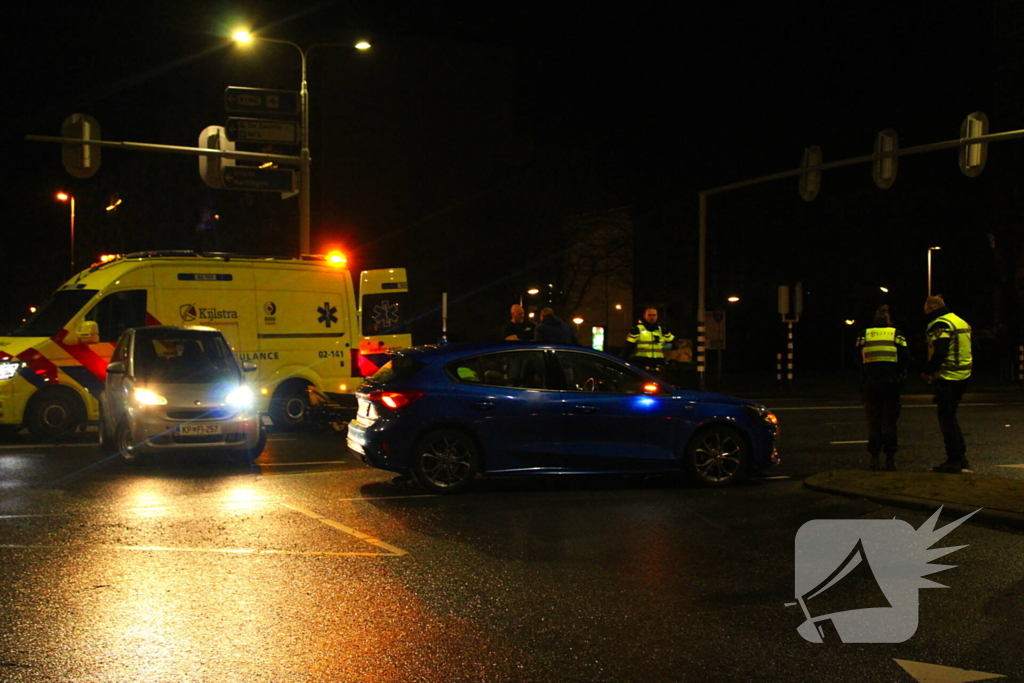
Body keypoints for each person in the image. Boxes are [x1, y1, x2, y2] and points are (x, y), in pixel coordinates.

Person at [922, 295, 973, 473]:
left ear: (932, 307)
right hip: (963, 375)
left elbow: (940, 351)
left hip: (947, 377)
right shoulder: (959, 321)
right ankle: (961, 456)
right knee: (951, 417)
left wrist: (928, 371)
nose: (925, 312)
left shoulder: (940, 324)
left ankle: (954, 460)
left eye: (926, 309)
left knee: (946, 419)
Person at [855, 305, 908, 471]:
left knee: (874, 421)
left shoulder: (864, 335)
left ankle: (874, 457)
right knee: (890, 422)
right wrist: (899, 375)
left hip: (871, 383)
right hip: (891, 383)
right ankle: (890, 459)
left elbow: (857, 358)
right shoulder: (896, 334)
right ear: (888, 320)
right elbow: (905, 358)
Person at [620, 307, 675, 374]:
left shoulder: (661, 329)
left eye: (654, 315)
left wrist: (670, 345)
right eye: (649, 315)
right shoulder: (637, 329)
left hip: (658, 364)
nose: (652, 317)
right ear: (644, 316)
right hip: (642, 363)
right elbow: (628, 346)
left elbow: (674, 342)